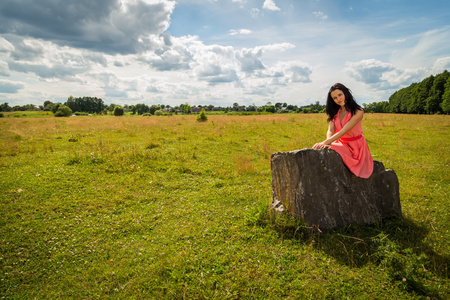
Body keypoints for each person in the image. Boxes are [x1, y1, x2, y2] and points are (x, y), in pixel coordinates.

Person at [312, 83, 373, 178]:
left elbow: (343, 131)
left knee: (321, 147)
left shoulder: (358, 111)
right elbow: (330, 130)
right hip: (341, 143)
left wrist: (326, 142)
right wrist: (328, 143)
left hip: (356, 147)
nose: (338, 99)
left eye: (340, 95)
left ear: (345, 93)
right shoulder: (335, 112)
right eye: (335, 98)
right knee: (320, 149)